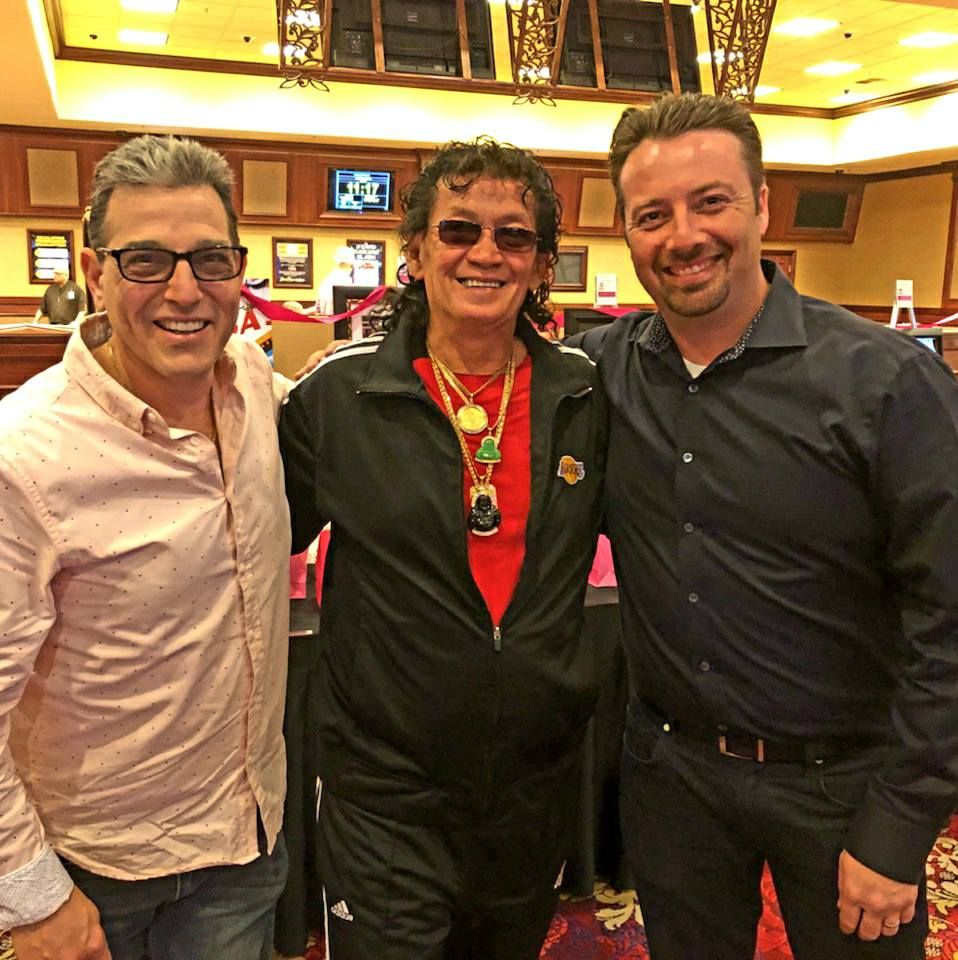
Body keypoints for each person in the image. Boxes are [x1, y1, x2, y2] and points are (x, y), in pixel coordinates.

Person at [566, 91, 958, 959]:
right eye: (653, 215)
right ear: (627, 232)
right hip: (672, 777)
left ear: (762, 205)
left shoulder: (887, 384)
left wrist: (902, 821)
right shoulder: (598, 374)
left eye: (711, 202)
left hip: (845, 786)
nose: (684, 236)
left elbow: (951, 617)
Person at [279, 136, 608, 959]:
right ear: (417, 250)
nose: (485, 253)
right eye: (459, 230)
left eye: (514, 236)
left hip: (532, 786)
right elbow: (249, 548)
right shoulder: (340, 396)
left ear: (541, 266)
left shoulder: (585, 395)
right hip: (384, 794)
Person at [0, 135, 290, 960]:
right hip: (95, 874)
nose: (184, 290)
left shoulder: (253, 385)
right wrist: (33, 898)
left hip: (245, 846)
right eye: (146, 261)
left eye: (210, 259)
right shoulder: (22, 456)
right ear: (94, 272)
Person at [314, 244, 355, 315]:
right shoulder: (350, 280)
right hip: (343, 320)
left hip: (327, 319)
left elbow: (318, 308)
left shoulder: (326, 280)